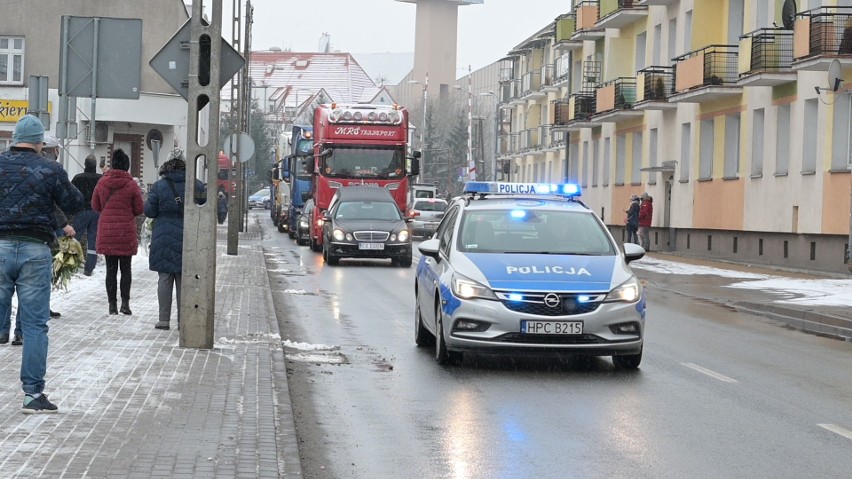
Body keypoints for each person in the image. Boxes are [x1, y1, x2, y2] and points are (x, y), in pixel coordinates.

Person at [0, 114, 85, 413]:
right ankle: (32, 395)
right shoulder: (50, 169)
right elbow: (75, 203)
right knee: (35, 325)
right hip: (35, 250)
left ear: (13, 139)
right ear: (39, 143)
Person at [145, 151, 206, 330]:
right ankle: (182, 319)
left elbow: (149, 211)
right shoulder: (196, 185)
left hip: (163, 235)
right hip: (188, 235)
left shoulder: (158, 186)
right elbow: (204, 208)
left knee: (164, 277)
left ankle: (163, 319)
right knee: (183, 278)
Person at [92, 149, 144, 315]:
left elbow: (95, 206)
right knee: (126, 269)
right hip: (125, 231)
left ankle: (112, 305)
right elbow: (139, 208)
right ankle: (125, 304)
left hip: (107, 230)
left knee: (111, 269)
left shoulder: (102, 182)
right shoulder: (131, 184)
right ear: (127, 166)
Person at [71, 154, 103, 276]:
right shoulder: (101, 179)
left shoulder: (78, 178)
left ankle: (70, 262)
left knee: (75, 237)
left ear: (85, 164)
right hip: (96, 212)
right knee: (93, 239)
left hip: (82, 211)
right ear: (95, 165)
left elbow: (71, 193)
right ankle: (89, 267)